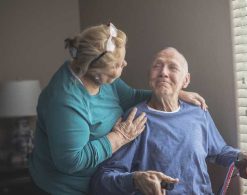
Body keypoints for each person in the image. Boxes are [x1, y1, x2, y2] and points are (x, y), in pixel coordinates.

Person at [28, 24, 207, 195]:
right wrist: (118, 138)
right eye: (118, 64)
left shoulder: (101, 79)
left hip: (100, 182)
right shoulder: (65, 101)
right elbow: (71, 161)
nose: (125, 64)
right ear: (96, 70)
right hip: (64, 189)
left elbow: (131, 96)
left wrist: (174, 93)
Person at [90, 47, 247, 195]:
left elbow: (218, 151)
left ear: (186, 80)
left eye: (173, 68)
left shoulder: (198, 113)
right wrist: (136, 179)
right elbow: (104, 179)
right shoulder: (135, 119)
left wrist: (242, 158)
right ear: (149, 76)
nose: (163, 72)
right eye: (157, 66)